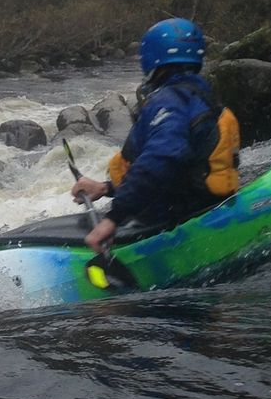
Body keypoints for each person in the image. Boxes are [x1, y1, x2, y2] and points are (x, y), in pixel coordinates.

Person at [71, 17, 240, 252]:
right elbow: (177, 170)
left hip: (172, 216)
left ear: (152, 58)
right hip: (198, 204)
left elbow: (163, 158)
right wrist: (106, 188)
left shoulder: (168, 103)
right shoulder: (197, 95)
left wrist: (113, 218)